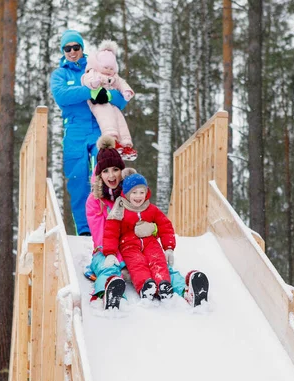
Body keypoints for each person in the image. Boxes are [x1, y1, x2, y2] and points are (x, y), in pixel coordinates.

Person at [85, 137, 208, 308]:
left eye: (115, 169)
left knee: (161, 266)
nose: (111, 175)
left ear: (122, 170)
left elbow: (152, 219)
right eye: (105, 171)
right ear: (99, 174)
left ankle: (188, 292)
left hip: (136, 246)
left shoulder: (132, 193)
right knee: (108, 269)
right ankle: (110, 295)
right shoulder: (95, 201)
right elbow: (101, 237)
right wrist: (124, 259)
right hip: (108, 251)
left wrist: (153, 230)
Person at [50, 29, 129, 236]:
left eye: (76, 47)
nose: (72, 51)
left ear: (82, 48)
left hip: (99, 127)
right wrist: (89, 92)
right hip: (74, 129)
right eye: (68, 48)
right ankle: (84, 229)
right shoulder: (61, 74)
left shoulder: (95, 65)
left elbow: (121, 99)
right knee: (77, 180)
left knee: (106, 174)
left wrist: (107, 96)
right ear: (63, 51)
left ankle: (110, 224)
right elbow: (61, 96)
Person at [102, 170, 209, 306]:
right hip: (128, 245)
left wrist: (169, 247)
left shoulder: (151, 209)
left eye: (142, 192)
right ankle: (146, 286)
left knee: (158, 260)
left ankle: (163, 284)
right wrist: (110, 253)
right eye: (134, 192)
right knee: (137, 263)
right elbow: (111, 232)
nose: (138, 196)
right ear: (127, 194)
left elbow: (165, 226)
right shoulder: (120, 209)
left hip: (150, 242)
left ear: (146, 192)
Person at [81, 40, 137, 161]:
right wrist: (94, 83)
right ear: (98, 65)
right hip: (99, 103)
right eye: (105, 67)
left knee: (119, 119)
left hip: (112, 104)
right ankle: (112, 139)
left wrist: (126, 91)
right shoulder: (94, 72)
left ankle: (126, 144)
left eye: (111, 68)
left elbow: (121, 83)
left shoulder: (114, 77)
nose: (108, 70)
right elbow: (86, 79)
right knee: (107, 118)